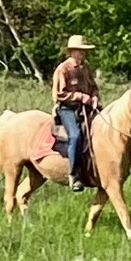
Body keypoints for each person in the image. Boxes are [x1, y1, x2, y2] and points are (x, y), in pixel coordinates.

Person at [51, 35, 101, 192]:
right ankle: (74, 175)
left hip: (86, 108)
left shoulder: (86, 68)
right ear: (72, 52)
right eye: (79, 51)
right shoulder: (63, 69)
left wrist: (94, 97)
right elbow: (59, 94)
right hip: (67, 109)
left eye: (84, 51)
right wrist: (81, 97)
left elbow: (93, 86)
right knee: (76, 135)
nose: (82, 54)